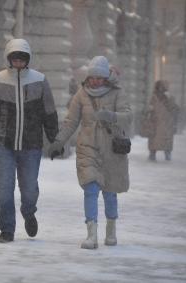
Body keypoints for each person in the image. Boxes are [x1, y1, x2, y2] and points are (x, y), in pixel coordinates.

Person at [0, 38, 59, 243]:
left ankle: (28, 212)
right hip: (3, 143)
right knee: (4, 187)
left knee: (29, 189)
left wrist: (55, 141)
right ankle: (7, 230)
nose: (18, 62)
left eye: (22, 58)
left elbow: (49, 113)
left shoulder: (39, 81)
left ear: (28, 59)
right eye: (15, 58)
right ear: (9, 59)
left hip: (31, 145)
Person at [48, 56, 132, 249]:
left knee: (110, 192)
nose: (95, 81)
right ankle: (91, 234)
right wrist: (59, 142)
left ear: (106, 78)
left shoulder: (118, 93)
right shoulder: (81, 94)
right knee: (91, 188)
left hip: (112, 150)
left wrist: (111, 116)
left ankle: (111, 230)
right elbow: (71, 122)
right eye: (92, 77)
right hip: (87, 148)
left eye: (99, 77)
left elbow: (128, 117)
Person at [147, 80, 179, 161]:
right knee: (155, 138)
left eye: (163, 86)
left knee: (165, 139)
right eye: (160, 86)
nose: (161, 88)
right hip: (156, 121)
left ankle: (167, 154)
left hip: (166, 121)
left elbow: (173, 108)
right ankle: (153, 154)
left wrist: (169, 99)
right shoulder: (154, 96)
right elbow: (150, 107)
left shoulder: (169, 96)